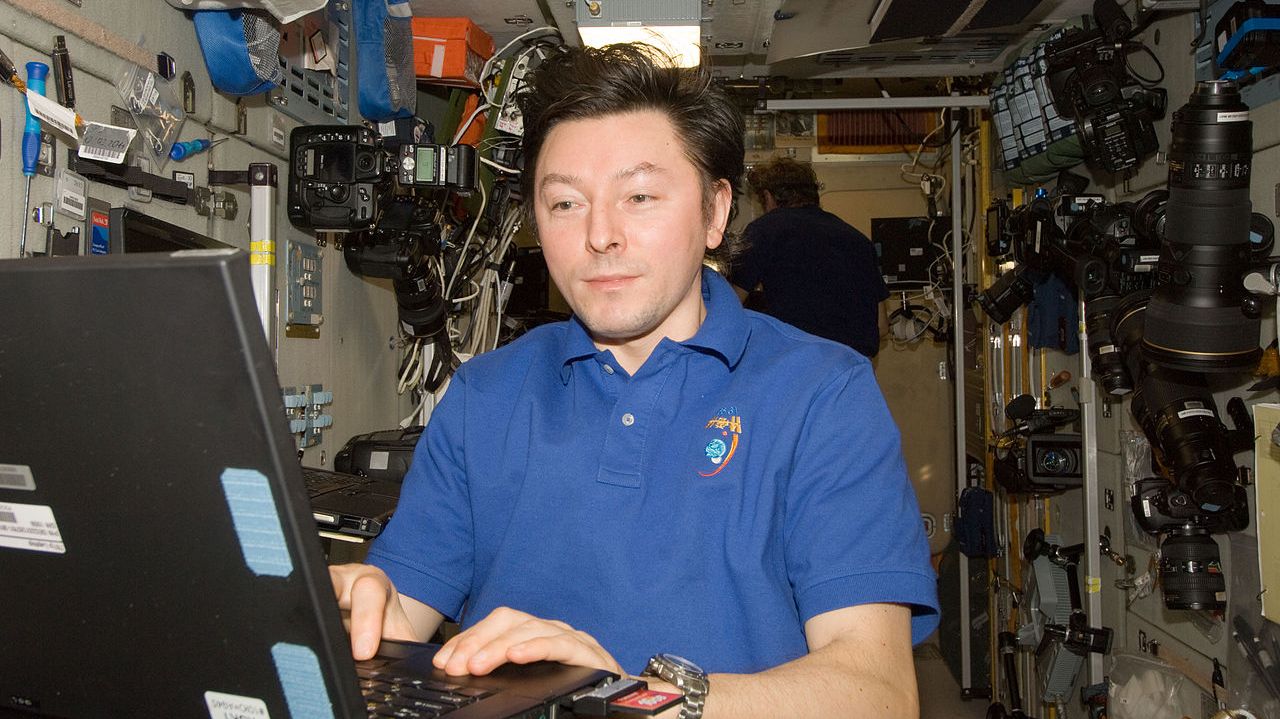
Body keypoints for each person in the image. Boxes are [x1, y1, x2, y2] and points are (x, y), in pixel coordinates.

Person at [330, 43, 939, 717]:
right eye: (565, 203)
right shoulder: (484, 395)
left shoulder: (824, 394)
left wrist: (628, 699)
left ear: (715, 213)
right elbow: (405, 610)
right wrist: (364, 614)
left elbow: (879, 694)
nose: (601, 235)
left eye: (640, 196)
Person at [732, 157, 891, 357]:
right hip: (855, 365)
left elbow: (730, 305)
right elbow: (881, 326)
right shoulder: (858, 239)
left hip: (801, 362)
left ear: (768, 196)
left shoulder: (764, 230)